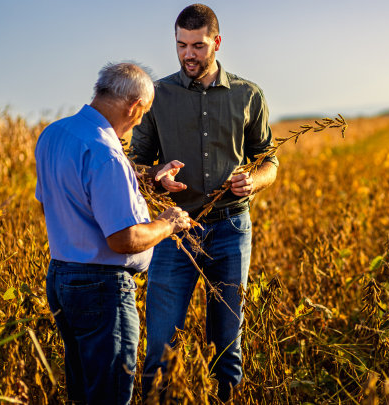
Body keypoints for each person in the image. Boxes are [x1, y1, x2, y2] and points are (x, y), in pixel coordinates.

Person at [130, 3, 278, 402]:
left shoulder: (248, 94)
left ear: (216, 42)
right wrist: (156, 175)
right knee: (160, 349)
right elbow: (135, 163)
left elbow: (270, 161)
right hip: (175, 231)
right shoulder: (156, 95)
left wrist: (255, 180)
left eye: (197, 45)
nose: (187, 55)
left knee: (227, 349)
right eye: (181, 45)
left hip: (231, 229)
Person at [35, 62, 192, 404]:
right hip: (102, 290)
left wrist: (147, 177)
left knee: (83, 391)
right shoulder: (107, 153)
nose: (139, 122)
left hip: (61, 278)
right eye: (143, 113)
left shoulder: (55, 134)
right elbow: (123, 240)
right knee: (109, 394)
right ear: (134, 106)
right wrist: (169, 223)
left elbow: (52, 201)